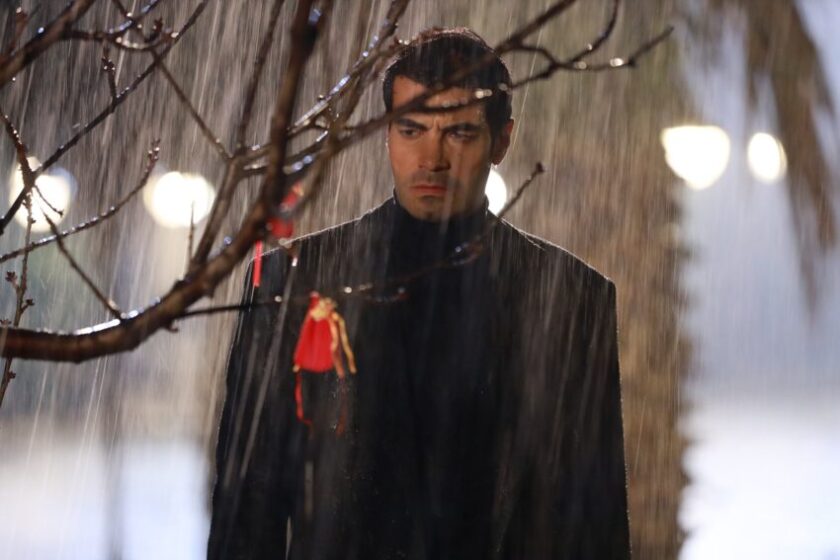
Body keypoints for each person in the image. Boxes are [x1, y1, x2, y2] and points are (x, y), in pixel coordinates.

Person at [208, 27, 631, 559]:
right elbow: (247, 513)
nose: (431, 158)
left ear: (502, 142)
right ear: (386, 133)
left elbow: (595, 525)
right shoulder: (292, 283)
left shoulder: (571, 299)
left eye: (459, 133)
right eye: (411, 129)